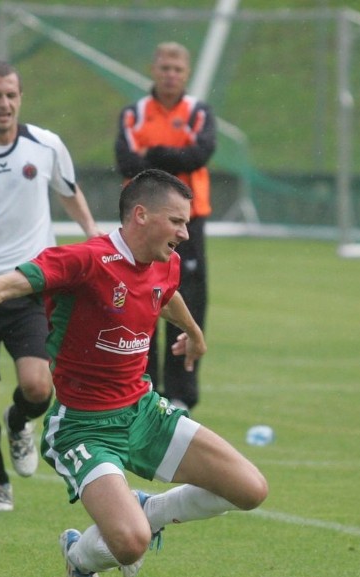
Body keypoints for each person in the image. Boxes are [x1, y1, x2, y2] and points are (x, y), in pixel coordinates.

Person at [0, 169, 268, 577]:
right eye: (177, 221)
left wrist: (194, 332)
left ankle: (149, 509)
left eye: (186, 222)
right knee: (129, 544)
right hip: (84, 427)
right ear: (141, 215)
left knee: (250, 490)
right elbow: (14, 281)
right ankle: (80, 556)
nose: (185, 232)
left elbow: (165, 293)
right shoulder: (84, 261)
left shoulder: (166, 263)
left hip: (143, 412)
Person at [0, 61, 101, 512]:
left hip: (29, 284)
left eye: (11, 95)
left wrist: (95, 238)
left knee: (37, 387)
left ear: (20, 98)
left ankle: (20, 423)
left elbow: (68, 190)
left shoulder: (45, 145)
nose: (4, 104)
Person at [114, 42, 216, 411]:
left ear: (186, 74)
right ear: (153, 71)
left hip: (189, 222)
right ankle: (143, 390)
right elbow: (126, 161)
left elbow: (200, 153)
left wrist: (155, 156)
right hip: (141, 223)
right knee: (138, 299)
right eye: (165, 68)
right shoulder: (135, 113)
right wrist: (174, 158)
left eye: (178, 69)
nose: (171, 74)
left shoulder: (198, 112)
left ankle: (181, 395)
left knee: (186, 300)